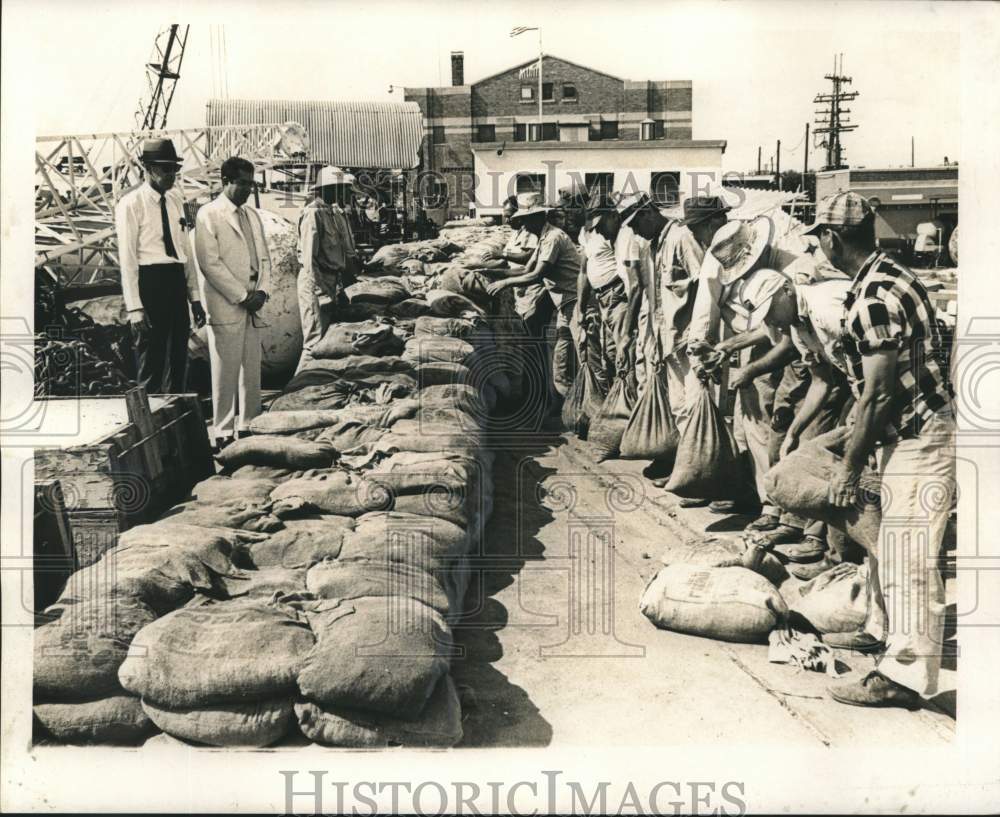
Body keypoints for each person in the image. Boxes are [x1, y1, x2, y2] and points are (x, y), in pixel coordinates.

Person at [800, 192, 954, 709]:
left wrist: (847, 466)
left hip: (919, 436)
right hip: (910, 433)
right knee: (892, 549)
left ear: (832, 238)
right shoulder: (890, 273)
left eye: (819, 238)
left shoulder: (871, 299)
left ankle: (905, 676)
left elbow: (879, 391)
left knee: (910, 558)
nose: (819, 247)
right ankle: (884, 633)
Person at [686, 217, 821, 529]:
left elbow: (789, 340)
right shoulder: (765, 274)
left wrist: (750, 366)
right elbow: (769, 326)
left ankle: (782, 509)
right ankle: (766, 499)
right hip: (778, 350)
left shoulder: (795, 271)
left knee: (782, 430)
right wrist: (729, 346)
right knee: (757, 427)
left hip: (804, 359)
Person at [622, 195, 732, 432]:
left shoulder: (681, 237)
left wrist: (702, 339)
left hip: (689, 339)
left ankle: (704, 462)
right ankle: (688, 460)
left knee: (696, 405)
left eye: (636, 225)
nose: (635, 232)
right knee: (678, 406)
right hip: (668, 339)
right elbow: (656, 297)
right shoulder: (653, 246)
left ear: (649, 213)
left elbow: (706, 286)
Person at [115, 138, 206, 393]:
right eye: (165, 169)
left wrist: (194, 298)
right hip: (150, 282)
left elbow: (184, 251)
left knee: (179, 357)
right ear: (148, 169)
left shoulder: (176, 201)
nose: (171, 175)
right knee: (151, 359)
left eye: (174, 169)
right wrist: (135, 307)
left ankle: (176, 420)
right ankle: (151, 422)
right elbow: (128, 259)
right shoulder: (131, 205)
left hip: (175, 281)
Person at [194, 156, 271, 450]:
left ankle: (249, 424)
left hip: (254, 300)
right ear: (225, 181)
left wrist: (262, 291)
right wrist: (241, 296)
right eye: (242, 183)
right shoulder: (209, 214)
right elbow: (209, 263)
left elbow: (265, 257)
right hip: (228, 303)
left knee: (251, 369)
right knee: (225, 370)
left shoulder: (252, 216)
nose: (248, 189)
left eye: (251, 184)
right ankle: (222, 430)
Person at [487, 200, 582, 416]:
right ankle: (561, 406)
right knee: (561, 358)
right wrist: (489, 271)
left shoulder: (553, 237)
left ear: (538, 218)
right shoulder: (543, 237)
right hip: (565, 304)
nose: (523, 225)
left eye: (526, 220)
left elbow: (536, 275)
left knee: (572, 357)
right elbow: (524, 270)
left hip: (576, 303)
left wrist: (504, 283)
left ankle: (578, 410)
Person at [296, 166, 360, 370]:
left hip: (330, 280)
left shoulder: (330, 212)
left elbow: (337, 256)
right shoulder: (313, 213)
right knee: (314, 343)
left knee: (326, 342)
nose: (343, 193)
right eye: (340, 188)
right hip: (316, 282)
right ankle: (298, 390)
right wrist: (322, 294)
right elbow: (309, 260)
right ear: (328, 188)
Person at [573, 207, 629, 392]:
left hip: (617, 294)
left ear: (612, 216)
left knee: (623, 350)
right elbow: (583, 272)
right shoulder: (587, 234)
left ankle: (627, 398)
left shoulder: (620, 234)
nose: (597, 229)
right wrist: (581, 308)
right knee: (609, 352)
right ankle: (615, 397)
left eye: (600, 224)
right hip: (601, 298)